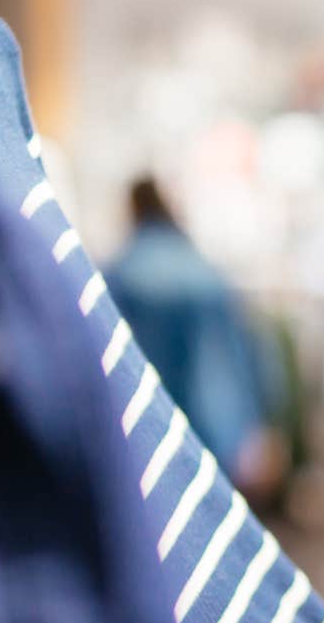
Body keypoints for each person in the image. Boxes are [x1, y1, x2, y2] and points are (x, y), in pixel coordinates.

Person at [106, 178, 288, 501]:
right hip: (210, 432)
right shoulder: (206, 272)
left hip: (144, 435)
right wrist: (258, 426)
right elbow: (240, 357)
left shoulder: (120, 274)